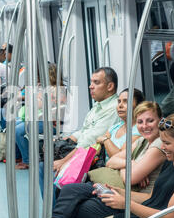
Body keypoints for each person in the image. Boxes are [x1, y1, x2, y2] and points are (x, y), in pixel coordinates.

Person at [48, 101, 166, 218]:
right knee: (70, 189)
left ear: (160, 121)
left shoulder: (158, 145)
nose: (145, 126)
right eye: (140, 122)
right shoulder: (142, 142)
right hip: (123, 189)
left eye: (150, 121)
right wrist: (131, 163)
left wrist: (128, 168)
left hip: (136, 199)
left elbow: (129, 179)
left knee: (81, 208)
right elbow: (112, 161)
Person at [39, 67, 121, 199]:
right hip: (84, 150)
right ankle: (52, 211)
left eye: (96, 82)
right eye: (91, 82)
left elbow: (90, 142)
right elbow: (84, 131)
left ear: (110, 86)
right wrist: (66, 139)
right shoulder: (98, 106)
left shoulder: (112, 109)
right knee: (45, 160)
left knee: (47, 168)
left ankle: (54, 214)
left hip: (93, 156)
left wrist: (65, 161)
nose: (90, 86)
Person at [95, 88, 144, 161]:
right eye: (119, 101)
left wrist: (105, 140)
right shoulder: (115, 127)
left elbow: (117, 157)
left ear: (138, 106)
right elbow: (98, 145)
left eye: (126, 101)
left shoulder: (139, 131)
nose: (120, 105)